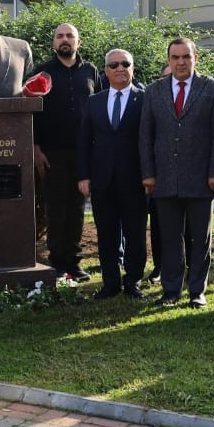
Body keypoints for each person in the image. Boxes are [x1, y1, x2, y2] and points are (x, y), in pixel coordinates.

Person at [139, 37, 214, 308]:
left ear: (195, 58)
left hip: (202, 178)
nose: (180, 62)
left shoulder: (213, 88)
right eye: (175, 57)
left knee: (200, 238)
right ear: (168, 60)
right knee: (169, 237)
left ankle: (197, 291)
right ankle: (171, 290)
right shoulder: (154, 91)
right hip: (164, 178)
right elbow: (145, 136)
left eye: (185, 57)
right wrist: (148, 173)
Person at [33, 23, 101, 282]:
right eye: (60, 36)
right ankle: (57, 261)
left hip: (85, 152)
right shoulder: (42, 72)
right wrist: (36, 148)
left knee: (77, 207)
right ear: (53, 42)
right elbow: (33, 112)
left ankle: (74, 262)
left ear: (78, 42)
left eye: (70, 36)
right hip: (52, 153)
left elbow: (100, 108)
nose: (65, 40)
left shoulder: (91, 71)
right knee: (56, 208)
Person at [77, 49, 147, 299]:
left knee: (135, 233)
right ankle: (110, 283)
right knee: (106, 233)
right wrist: (83, 176)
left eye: (125, 64)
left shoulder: (145, 99)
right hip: (102, 179)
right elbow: (84, 141)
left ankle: (133, 281)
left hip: (136, 179)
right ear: (105, 71)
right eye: (114, 65)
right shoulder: (94, 101)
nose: (120, 68)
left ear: (132, 69)